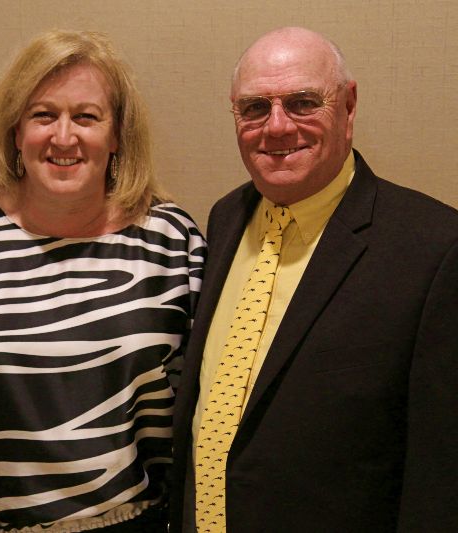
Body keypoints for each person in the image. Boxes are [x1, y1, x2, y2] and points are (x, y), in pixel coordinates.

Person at [0, 30, 205, 532]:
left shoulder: (172, 244)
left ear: (117, 134)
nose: (63, 137)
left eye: (86, 116)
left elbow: (200, 415)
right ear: (16, 131)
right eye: (43, 115)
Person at [170, 26, 458, 532]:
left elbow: (440, 474)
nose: (277, 127)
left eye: (303, 102)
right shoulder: (225, 218)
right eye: (255, 107)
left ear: (348, 106)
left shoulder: (434, 249)